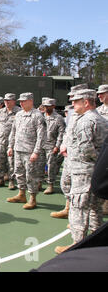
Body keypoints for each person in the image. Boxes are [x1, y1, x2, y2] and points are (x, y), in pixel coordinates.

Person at [55, 89, 108, 254]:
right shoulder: (100, 118)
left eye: (76, 101)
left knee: (78, 207)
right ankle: (96, 242)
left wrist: (89, 158)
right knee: (95, 208)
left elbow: (86, 148)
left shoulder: (86, 121)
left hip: (83, 170)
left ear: (86, 102)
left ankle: (76, 246)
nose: (73, 104)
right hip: (95, 171)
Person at [51, 84, 88, 219]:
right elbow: (68, 131)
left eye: (74, 97)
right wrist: (63, 145)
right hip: (69, 155)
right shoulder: (72, 112)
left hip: (84, 159)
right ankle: (69, 208)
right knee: (65, 183)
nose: (71, 100)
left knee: (82, 189)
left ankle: (79, 216)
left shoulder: (93, 115)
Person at [7, 92, 46, 210]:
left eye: (24, 101)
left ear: (31, 101)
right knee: (19, 173)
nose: (21, 103)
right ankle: (21, 194)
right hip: (18, 149)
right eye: (20, 101)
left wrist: (36, 152)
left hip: (30, 152)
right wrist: (10, 146)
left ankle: (32, 198)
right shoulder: (19, 115)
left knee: (31, 176)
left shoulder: (37, 115)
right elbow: (13, 132)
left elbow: (41, 136)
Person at [0, 93, 21, 189]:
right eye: (5, 100)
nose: (7, 102)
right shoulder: (0, 112)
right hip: (1, 141)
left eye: (9, 100)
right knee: (0, 160)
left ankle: (11, 181)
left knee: (11, 163)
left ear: (14, 101)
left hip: (12, 143)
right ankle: (0, 179)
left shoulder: (19, 112)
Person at [42, 98, 65, 195]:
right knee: (39, 165)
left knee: (51, 165)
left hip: (52, 145)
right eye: (45, 106)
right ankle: (39, 182)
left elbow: (61, 133)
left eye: (49, 106)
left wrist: (57, 146)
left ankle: (50, 185)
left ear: (53, 106)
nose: (47, 108)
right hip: (41, 144)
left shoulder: (58, 118)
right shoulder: (41, 117)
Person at [95, 84, 108, 215]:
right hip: (101, 149)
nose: (99, 96)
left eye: (102, 93)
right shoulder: (98, 111)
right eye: (98, 93)